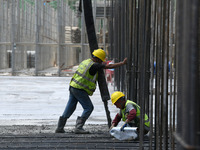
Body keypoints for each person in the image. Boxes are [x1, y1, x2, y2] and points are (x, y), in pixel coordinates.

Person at [55, 49, 127, 134]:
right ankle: (79, 127)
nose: (101, 62)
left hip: (73, 86)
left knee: (70, 107)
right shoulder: (94, 65)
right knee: (89, 107)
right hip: (79, 88)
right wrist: (122, 63)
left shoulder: (86, 61)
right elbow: (109, 66)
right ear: (98, 59)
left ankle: (60, 127)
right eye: (101, 61)